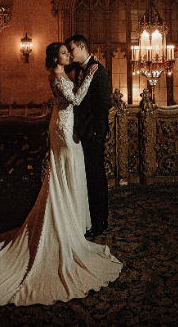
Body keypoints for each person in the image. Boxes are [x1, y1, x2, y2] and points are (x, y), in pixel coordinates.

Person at [0, 42, 122, 306]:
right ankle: (66, 222)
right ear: (56, 57)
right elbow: (77, 100)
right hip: (64, 129)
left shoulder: (61, 74)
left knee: (70, 170)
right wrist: (89, 77)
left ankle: (73, 220)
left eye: (70, 51)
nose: (69, 55)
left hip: (64, 124)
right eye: (65, 53)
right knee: (68, 169)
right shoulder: (58, 76)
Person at [65, 35, 112, 238]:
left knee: (95, 176)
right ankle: (85, 219)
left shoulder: (97, 70)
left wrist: (93, 131)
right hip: (81, 130)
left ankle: (99, 221)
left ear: (82, 47)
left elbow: (104, 104)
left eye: (72, 49)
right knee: (85, 176)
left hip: (93, 131)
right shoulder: (76, 69)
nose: (69, 53)